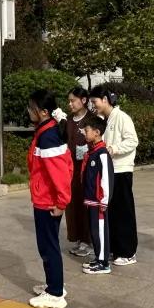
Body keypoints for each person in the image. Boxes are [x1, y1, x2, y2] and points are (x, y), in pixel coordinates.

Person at [25, 90, 74, 308]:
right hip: (45, 197)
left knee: (48, 246)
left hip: (48, 201)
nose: (29, 111)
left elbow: (61, 173)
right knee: (47, 245)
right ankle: (54, 284)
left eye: (32, 108)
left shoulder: (48, 136)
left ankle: (55, 294)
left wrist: (62, 202)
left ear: (44, 112)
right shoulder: (46, 131)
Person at [88, 85, 139, 265]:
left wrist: (113, 149)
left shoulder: (122, 117)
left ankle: (128, 252)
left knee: (123, 212)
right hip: (109, 170)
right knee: (112, 212)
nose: (93, 105)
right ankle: (115, 249)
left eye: (94, 101)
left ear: (105, 100)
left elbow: (133, 141)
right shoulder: (104, 119)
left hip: (121, 170)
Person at [80, 113, 114, 275]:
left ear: (97, 132)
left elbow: (106, 179)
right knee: (94, 231)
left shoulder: (102, 154)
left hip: (99, 201)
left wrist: (104, 201)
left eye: (87, 130)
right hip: (91, 200)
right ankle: (98, 257)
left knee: (100, 230)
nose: (85, 133)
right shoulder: (93, 152)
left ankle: (104, 263)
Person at [62, 87, 93, 258]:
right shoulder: (68, 120)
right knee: (72, 204)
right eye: (69, 101)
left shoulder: (92, 119)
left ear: (84, 100)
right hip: (70, 169)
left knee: (85, 204)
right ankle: (77, 238)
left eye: (73, 100)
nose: (70, 104)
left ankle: (88, 240)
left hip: (87, 170)